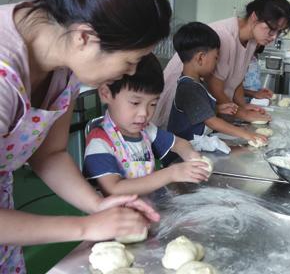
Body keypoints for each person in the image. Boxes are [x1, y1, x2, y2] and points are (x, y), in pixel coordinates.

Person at [0, 0, 172, 274]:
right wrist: (86, 227)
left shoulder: (64, 61)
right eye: (130, 60)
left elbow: (49, 155)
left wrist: (100, 205)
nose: (132, 72)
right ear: (85, 37)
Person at [153, 0, 290, 128]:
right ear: (254, 18)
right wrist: (243, 114)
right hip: (180, 99)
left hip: (203, 110)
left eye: (279, 32)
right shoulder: (224, 37)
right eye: (271, 30)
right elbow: (215, 86)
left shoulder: (252, 41)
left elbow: (236, 80)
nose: (273, 37)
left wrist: (243, 106)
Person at [83, 53, 211, 196]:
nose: (144, 113)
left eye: (153, 104)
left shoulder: (146, 131)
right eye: (135, 103)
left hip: (149, 209)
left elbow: (179, 144)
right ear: (106, 94)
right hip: (117, 216)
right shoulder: (99, 142)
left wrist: (193, 158)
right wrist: (171, 173)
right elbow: (114, 188)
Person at [166, 22, 268, 146]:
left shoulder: (197, 83)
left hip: (196, 144)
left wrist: (217, 109)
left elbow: (194, 112)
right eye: (216, 58)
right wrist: (247, 134)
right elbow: (212, 122)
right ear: (200, 58)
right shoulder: (189, 88)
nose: (217, 63)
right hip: (182, 152)